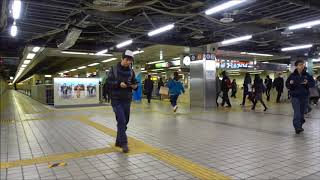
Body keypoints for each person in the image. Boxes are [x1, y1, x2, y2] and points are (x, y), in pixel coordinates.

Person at [107, 50, 138, 153]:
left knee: (125, 122)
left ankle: (118, 141)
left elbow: (135, 83)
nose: (128, 62)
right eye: (127, 60)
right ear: (122, 58)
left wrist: (135, 86)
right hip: (116, 100)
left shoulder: (131, 71)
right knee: (121, 120)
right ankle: (124, 143)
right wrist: (119, 84)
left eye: (130, 61)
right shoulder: (114, 69)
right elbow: (108, 83)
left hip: (127, 99)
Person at [286, 60, 315, 134]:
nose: (302, 66)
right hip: (295, 97)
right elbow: (287, 85)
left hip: (305, 97)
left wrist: (307, 83)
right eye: (300, 65)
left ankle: (300, 124)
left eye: (303, 65)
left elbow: (312, 84)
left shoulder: (307, 75)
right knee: (297, 112)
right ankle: (297, 128)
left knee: (302, 113)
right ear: (296, 66)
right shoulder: (292, 76)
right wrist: (291, 84)